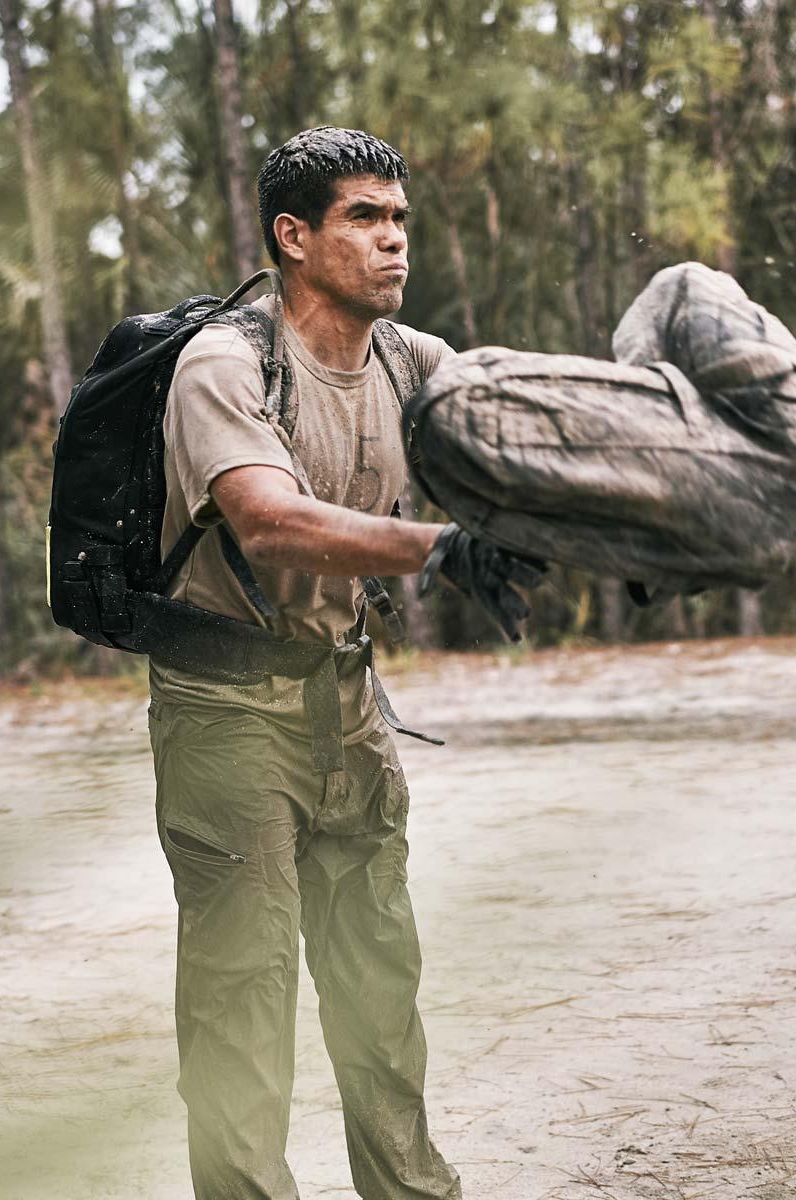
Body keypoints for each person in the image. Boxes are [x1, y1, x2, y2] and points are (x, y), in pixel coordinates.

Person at [147, 125, 540, 1200]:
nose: (394, 242)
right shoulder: (225, 364)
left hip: (348, 712)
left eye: (401, 219)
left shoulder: (414, 362)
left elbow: (519, 446)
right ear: (295, 237)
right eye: (365, 219)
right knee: (243, 1005)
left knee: (378, 988)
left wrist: (619, 518)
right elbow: (269, 524)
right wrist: (441, 550)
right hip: (227, 718)